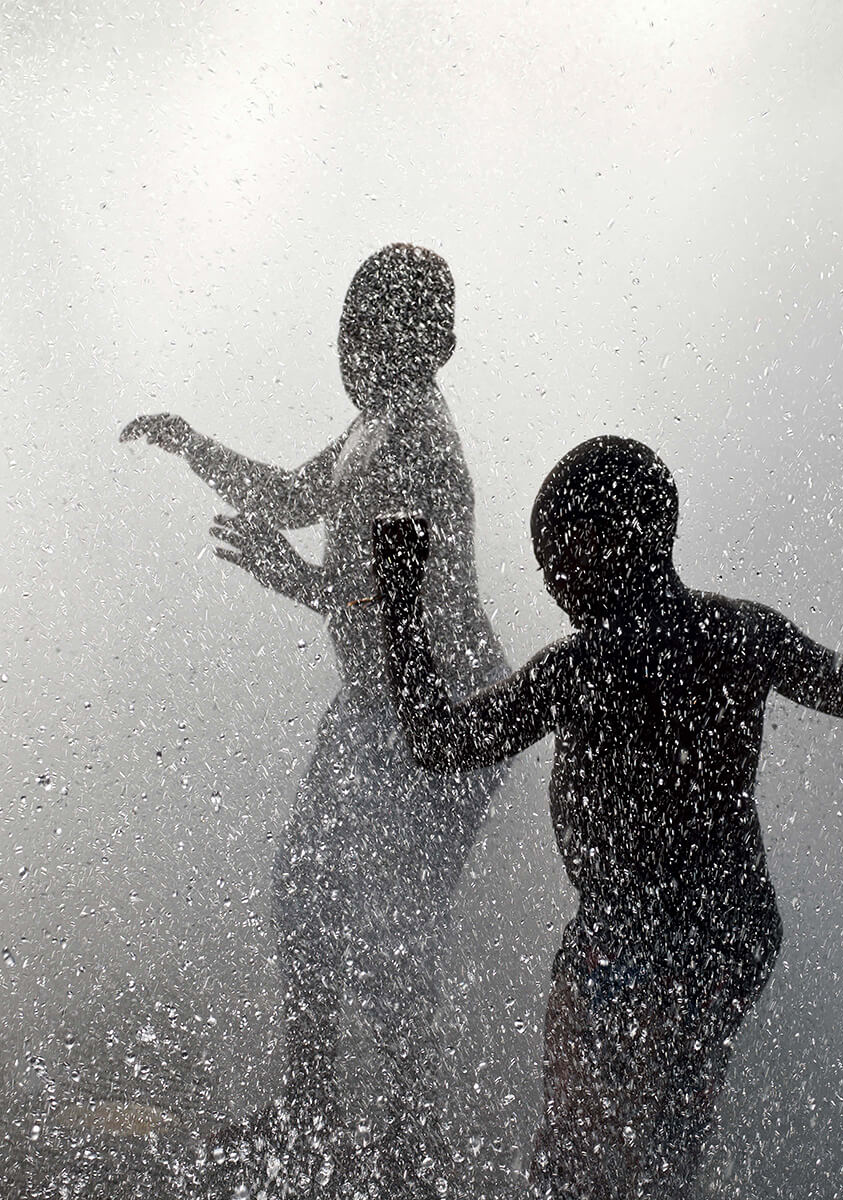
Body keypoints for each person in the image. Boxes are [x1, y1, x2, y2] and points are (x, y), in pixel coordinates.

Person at [371, 435, 843, 1200]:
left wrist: (400, 601)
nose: (553, 581)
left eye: (557, 554)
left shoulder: (615, 661)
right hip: (670, 927)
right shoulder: (712, 640)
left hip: (678, 931)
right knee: (617, 1148)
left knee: (612, 1152)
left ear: (612, 538)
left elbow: (438, 742)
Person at [120, 245, 507, 1196]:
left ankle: (406, 1140)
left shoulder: (416, 438)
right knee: (309, 896)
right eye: (347, 324)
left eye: (366, 325)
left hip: (435, 716)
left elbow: (399, 607)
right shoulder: (376, 426)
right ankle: (312, 1107)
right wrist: (188, 443)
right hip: (381, 709)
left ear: (426, 341)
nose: (347, 344)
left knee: (391, 927)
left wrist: (291, 578)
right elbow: (294, 500)